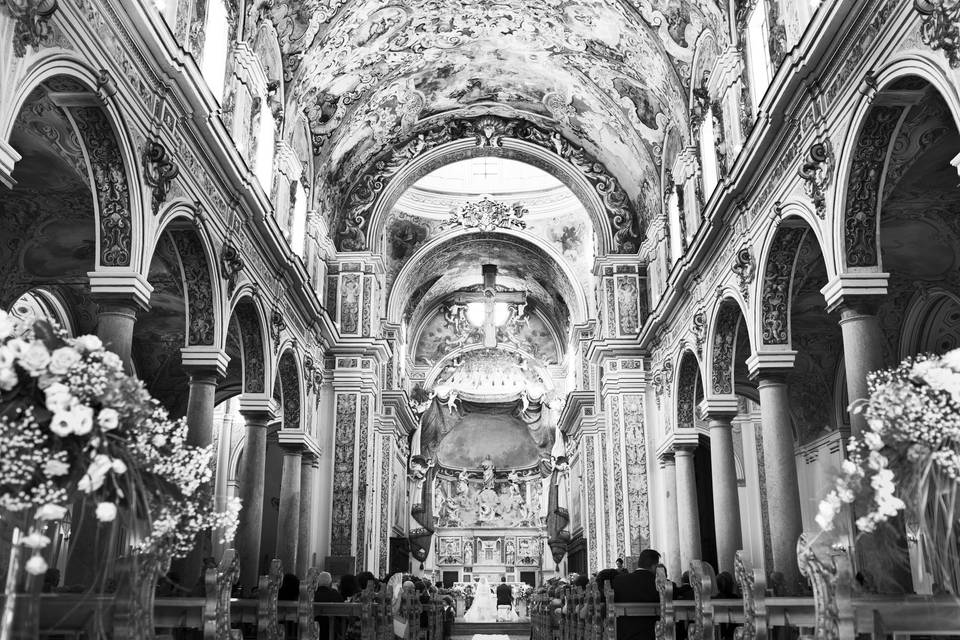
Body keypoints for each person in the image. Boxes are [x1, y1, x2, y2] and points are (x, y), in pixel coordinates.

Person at [612, 548, 661, 640]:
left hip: (623, 634)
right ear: (655, 567)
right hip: (652, 634)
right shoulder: (663, 585)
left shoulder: (618, 581)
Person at [314, 571, 344, 640]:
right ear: (330, 584)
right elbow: (342, 613)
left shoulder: (312, 594)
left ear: (318, 583)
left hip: (314, 631)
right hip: (331, 633)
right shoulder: (335, 594)